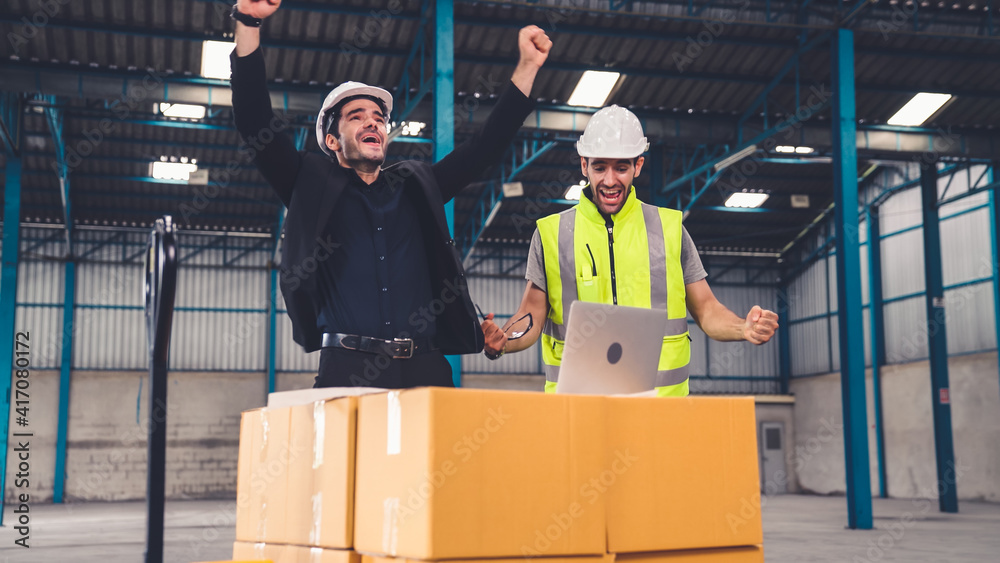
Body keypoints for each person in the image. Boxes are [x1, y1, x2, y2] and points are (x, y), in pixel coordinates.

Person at [229, 0, 552, 388]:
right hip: (346, 370)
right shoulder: (308, 183)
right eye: (357, 116)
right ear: (332, 140)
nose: (373, 122)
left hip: (426, 369)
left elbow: (485, 147)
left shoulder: (418, 186)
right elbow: (253, 121)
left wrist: (528, 67)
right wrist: (248, 21)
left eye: (379, 118)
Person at [480, 105, 779, 397]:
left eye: (621, 167)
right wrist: (503, 339)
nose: (610, 180)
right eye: (599, 167)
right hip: (578, 404)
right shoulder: (550, 234)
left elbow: (707, 309)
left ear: (638, 165)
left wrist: (743, 328)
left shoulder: (669, 229)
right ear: (584, 165)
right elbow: (530, 314)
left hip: (660, 409)